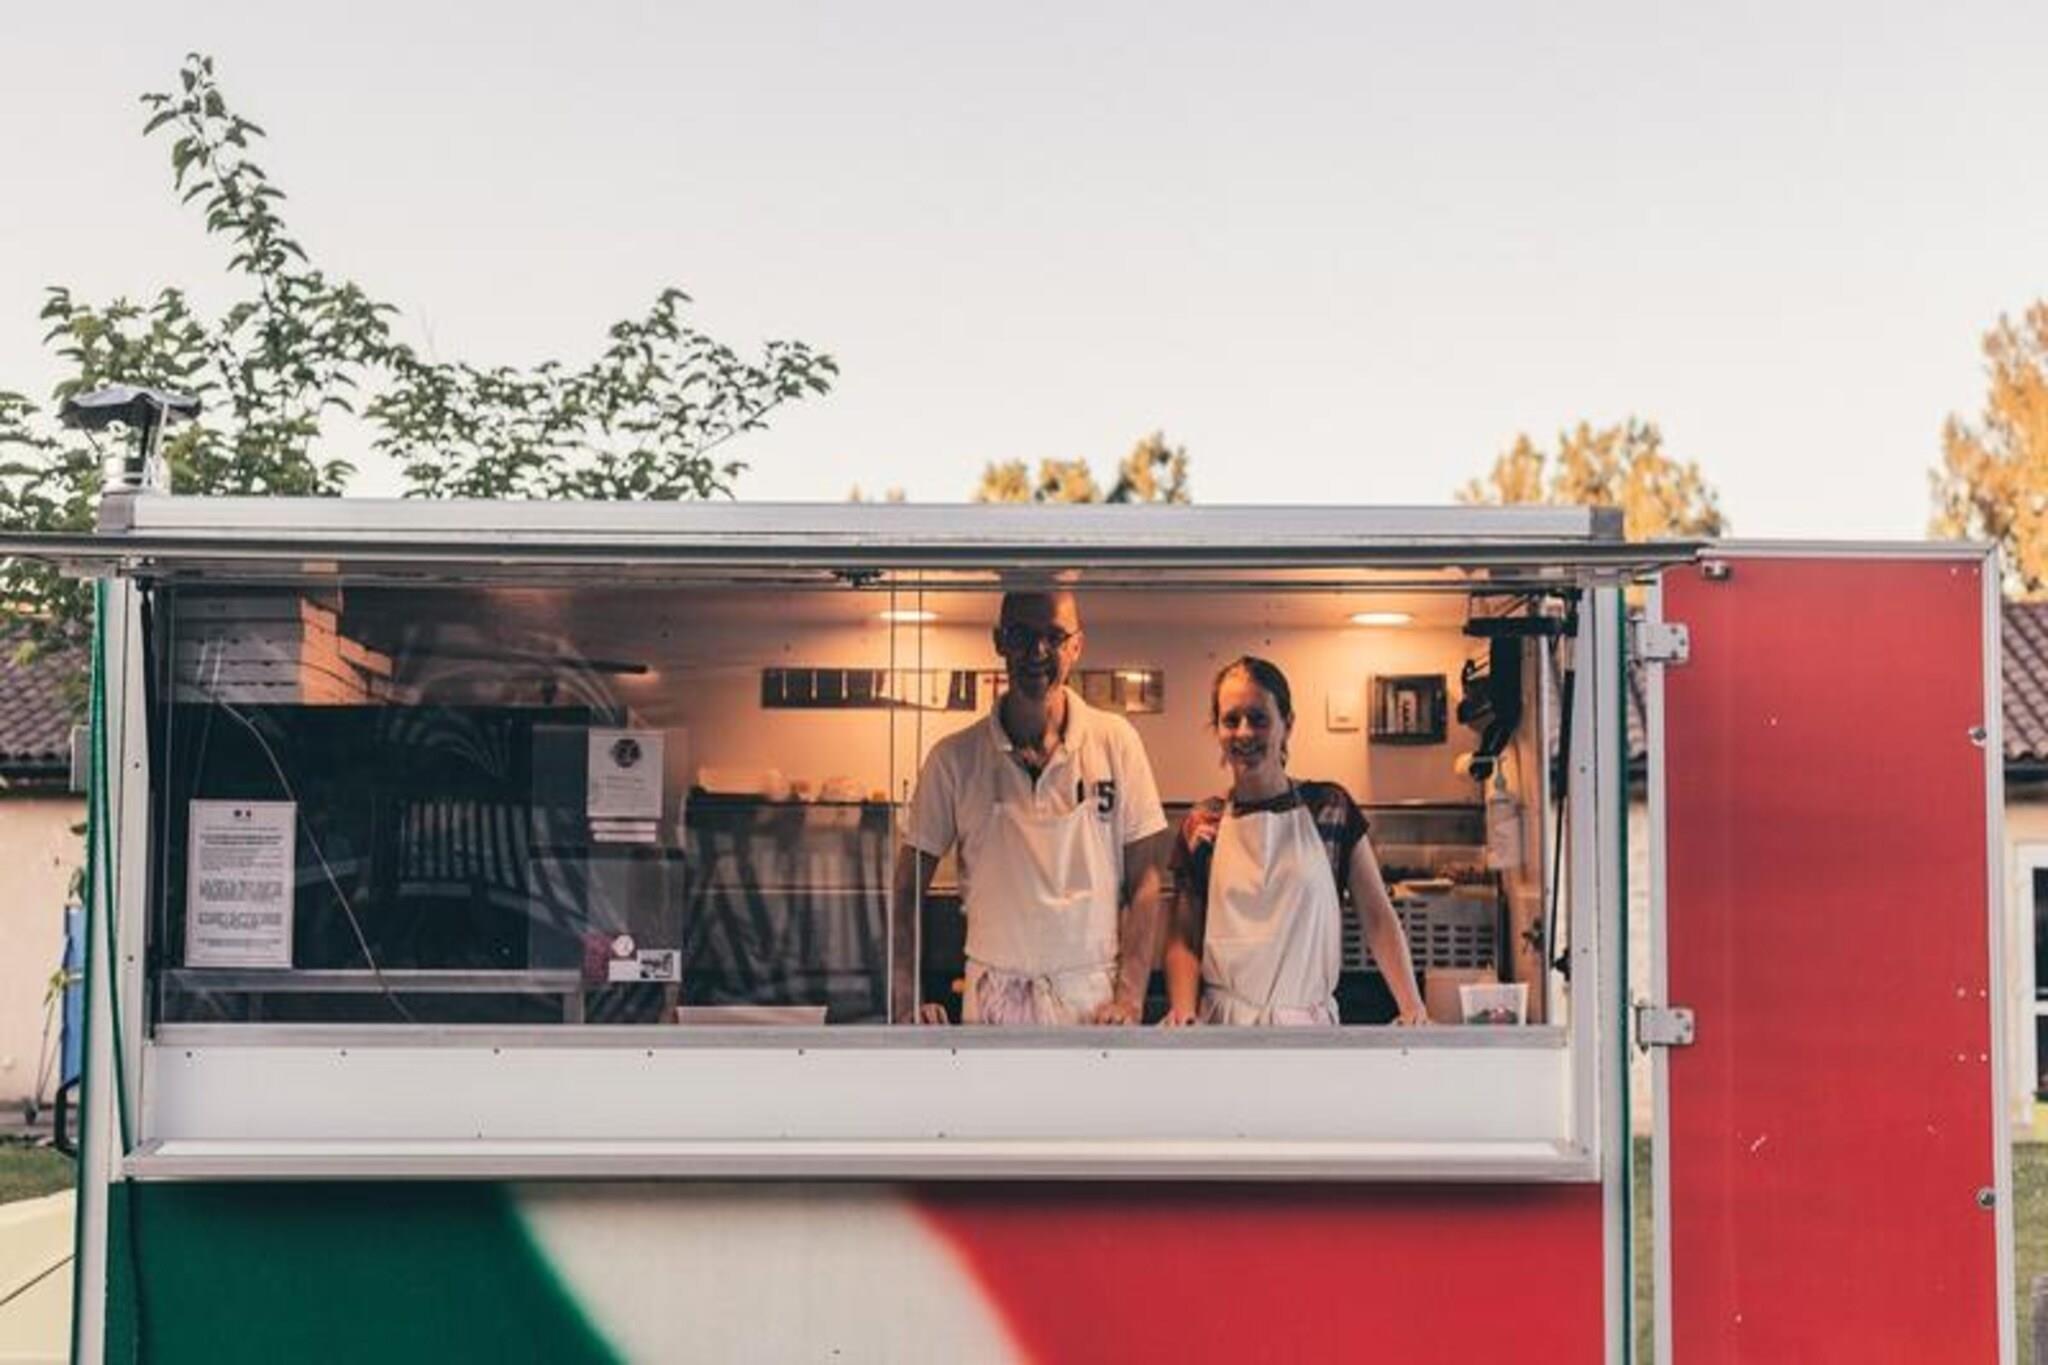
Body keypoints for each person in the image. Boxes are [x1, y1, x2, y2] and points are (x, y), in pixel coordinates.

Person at [892, 590, 1168, 1025]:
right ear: (999, 641)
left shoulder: (1117, 743)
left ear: (1076, 645)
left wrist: (1130, 999)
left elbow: (1146, 882)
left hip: (1091, 1004)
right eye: (1021, 635)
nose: (1037, 651)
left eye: (1054, 636)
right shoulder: (954, 758)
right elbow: (907, 888)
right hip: (993, 1001)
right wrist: (905, 1000)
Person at [1162, 656, 1428, 1027]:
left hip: (1308, 1031)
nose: (1244, 733)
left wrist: (1413, 1008)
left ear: (1287, 725)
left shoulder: (1331, 808)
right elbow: (1184, 939)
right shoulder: (1202, 824)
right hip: (1224, 1029)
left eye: (1259, 719)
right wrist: (1184, 1013)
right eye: (1231, 720)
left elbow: (1378, 918)